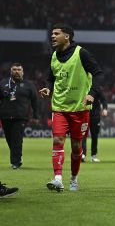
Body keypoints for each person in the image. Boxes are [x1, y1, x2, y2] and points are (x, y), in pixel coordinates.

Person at [39, 23, 104, 192]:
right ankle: (58, 179)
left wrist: (92, 93)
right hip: (59, 107)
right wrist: (48, 87)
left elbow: (98, 73)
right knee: (57, 140)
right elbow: (50, 78)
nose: (52, 36)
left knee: (76, 147)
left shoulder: (81, 53)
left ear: (67, 36)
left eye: (56, 33)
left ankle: (74, 179)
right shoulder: (53, 56)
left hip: (80, 109)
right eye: (52, 34)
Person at [0, 63, 39, 169]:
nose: (17, 71)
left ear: (23, 71)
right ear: (10, 71)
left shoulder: (29, 85)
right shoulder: (3, 83)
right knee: (9, 139)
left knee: (17, 139)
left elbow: (35, 101)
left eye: (19, 69)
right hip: (5, 116)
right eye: (14, 69)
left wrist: (35, 116)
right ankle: (17, 157)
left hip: (21, 117)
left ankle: (15, 162)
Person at [81, 89, 108, 162]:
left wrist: (105, 109)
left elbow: (103, 99)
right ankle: (82, 154)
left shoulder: (96, 86)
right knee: (83, 134)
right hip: (84, 114)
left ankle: (94, 155)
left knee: (94, 135)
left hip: (95, 116)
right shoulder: (82, 85)